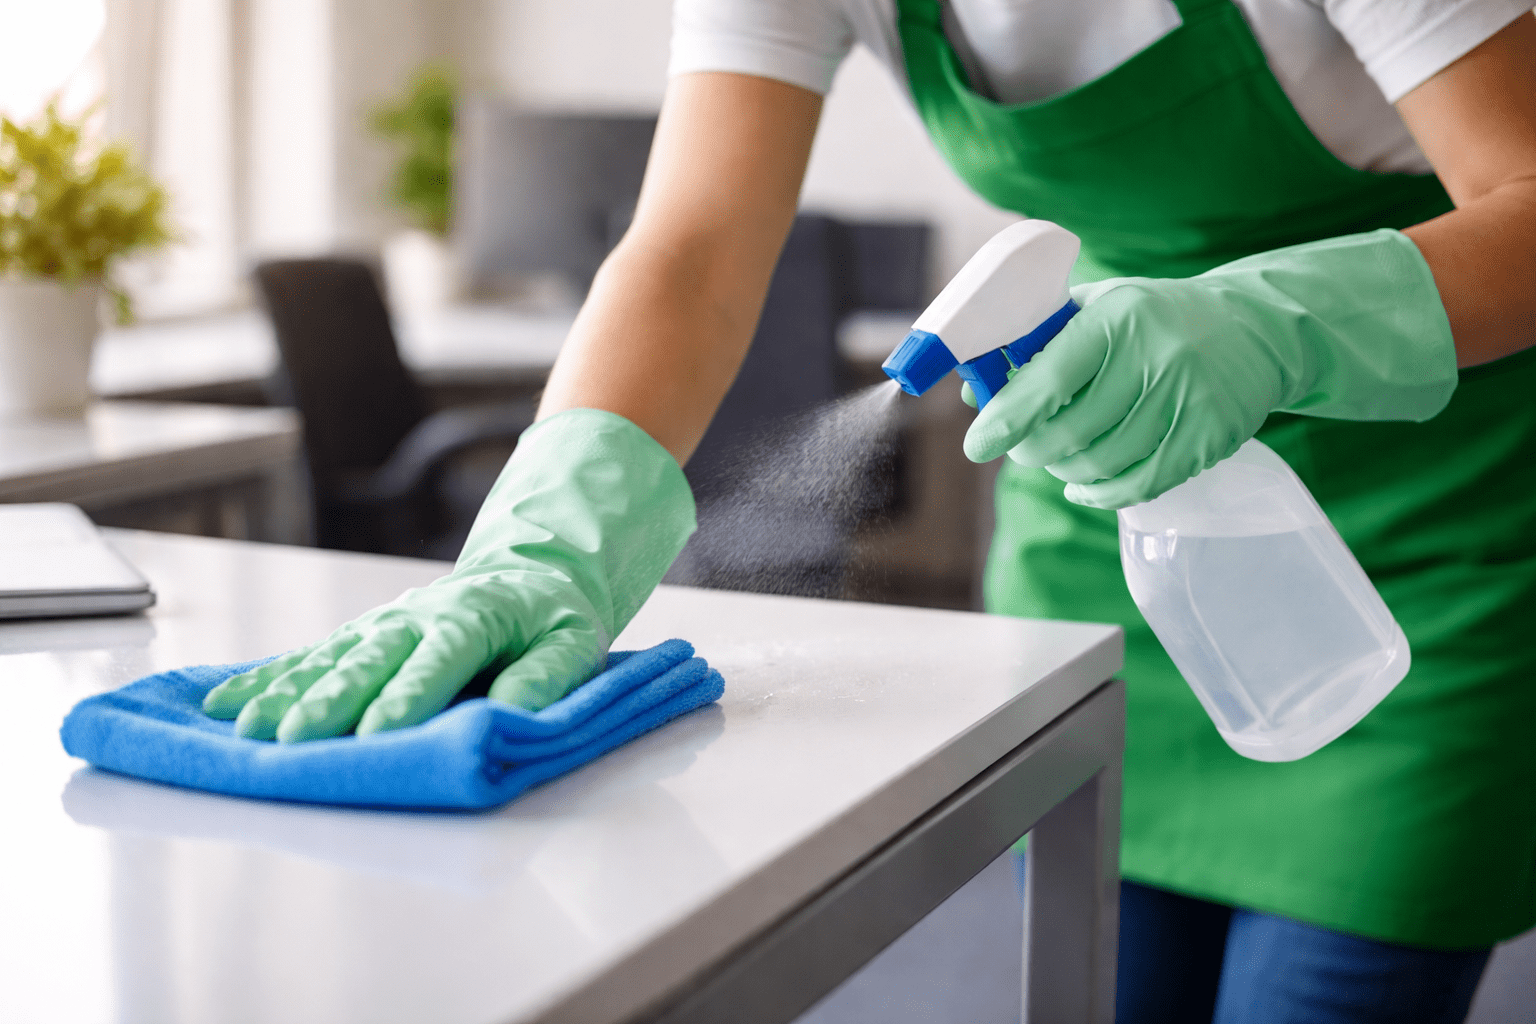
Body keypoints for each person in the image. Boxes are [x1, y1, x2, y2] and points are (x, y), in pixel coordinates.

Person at [203, 1, 1536, 1019]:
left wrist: (1266, 325)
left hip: (1427, 555)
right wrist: (545, 535)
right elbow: (696, 244)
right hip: (1114, 545)